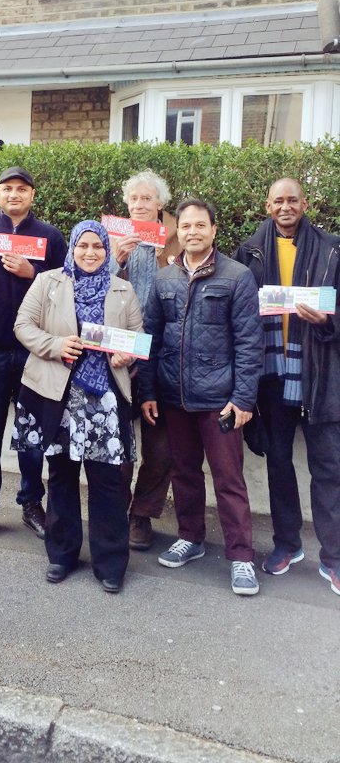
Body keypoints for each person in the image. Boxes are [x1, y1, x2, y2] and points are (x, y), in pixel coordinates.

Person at [138, 198, 263, 596]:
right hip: (174, 398)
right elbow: (151, 338)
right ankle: (190, 538)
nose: (192, 232)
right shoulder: (164, 279)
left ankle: (241, 557)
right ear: (180, 232)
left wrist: (243, 399)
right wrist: (148, 390)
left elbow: (249, 342)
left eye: (200, 225)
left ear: (213, 230)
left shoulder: (238, 276)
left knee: (229, 480)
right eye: (186, 226)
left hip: (220, 402)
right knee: (184, 473)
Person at [13, 220, 143, 593]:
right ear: (72, 248)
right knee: (62, 477)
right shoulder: (48, 281)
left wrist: (125, 355)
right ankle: (62, 554)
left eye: (97, 247)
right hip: (58, 395)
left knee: (107, 482)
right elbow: (23, 325)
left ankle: (110, 562)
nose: (90, 252)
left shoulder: (123, 289)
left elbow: (137, 336)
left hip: (105, 398)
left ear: (107, 250)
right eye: (82, 246)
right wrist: (56, 346)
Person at [235, 178, 340, 594]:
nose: (285, 206)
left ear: (305, 203)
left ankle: (333, 557)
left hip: (318, 373)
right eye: (277, 200)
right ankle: (287, 544)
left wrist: (329, 322)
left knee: (328, 467)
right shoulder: (249, 250)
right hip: (271, 374)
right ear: (267, 204)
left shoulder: (333, 248)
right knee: (278, 463)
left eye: (292, 200)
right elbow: (238, 308)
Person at [0, 167, 67, 544]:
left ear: (32, 195)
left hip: (36, 352)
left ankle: (31, 503)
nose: (15, 194)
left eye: (22, 189)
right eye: (8, 188)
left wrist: (31, 272)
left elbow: (65, 290)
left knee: (32, 431)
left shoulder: (50, 236)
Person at [111, 169, 180, 551]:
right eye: (134, 199)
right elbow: (89, 284)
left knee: (161, 444)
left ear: (160, 204)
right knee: (120, 435)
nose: (139, 204)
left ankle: (143, 513)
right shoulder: (109, 234)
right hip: (120, 348)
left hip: (164, 350)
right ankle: (116, 507)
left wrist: (162, 262)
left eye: (147, 199)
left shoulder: (176, 235)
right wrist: (116, 259)